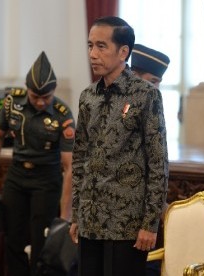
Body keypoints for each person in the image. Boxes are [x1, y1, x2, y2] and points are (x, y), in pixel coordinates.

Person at [69, 16, 169, 276]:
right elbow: (80, 158)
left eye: (101, 46)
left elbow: (158, 163)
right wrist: (77, 214)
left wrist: (150, 224)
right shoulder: (87, 96)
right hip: (90, 220)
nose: (93, 54)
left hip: (127, 223)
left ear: (123, 51)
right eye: (90, 45)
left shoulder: (146, 95)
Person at [0, 51, 76, 276]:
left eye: (47, 96)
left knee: (40, 239)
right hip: (16, 177)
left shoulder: (63, 115)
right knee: (12, 237)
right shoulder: (12, 102)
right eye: (35, 97)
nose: (42, 102)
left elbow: (69, 167)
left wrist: (65, 215)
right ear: (27, 90)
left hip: (47, 180)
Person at [130, 43, 170, 276]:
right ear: (135, 76)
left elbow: (157, 167)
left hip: (140, 217)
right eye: (152, 81)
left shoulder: (152, 108)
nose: (155, 89)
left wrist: (151, 220)